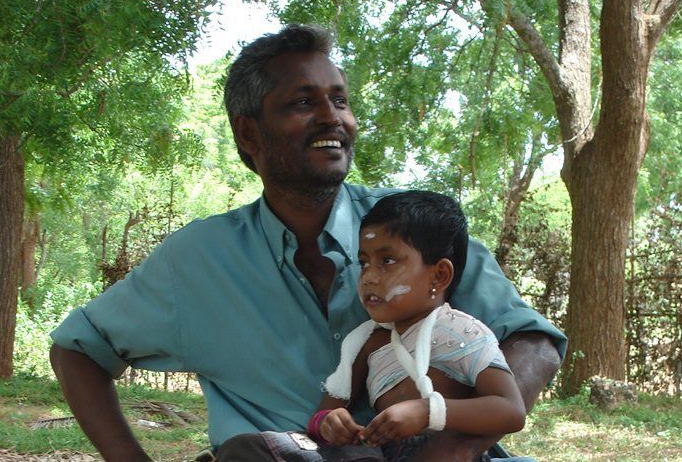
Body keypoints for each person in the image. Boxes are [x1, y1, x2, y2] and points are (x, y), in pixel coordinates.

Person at [49, 24, 566, 462]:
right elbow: (79, 351)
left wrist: (454, 446)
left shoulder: (417, 225)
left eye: (339, 100)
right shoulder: (196, 262)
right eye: (302, 102)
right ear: (248, 134)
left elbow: (533, 342)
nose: (332, 118)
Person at [308, 190, 526, 462]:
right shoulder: (365, 343)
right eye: (364, 263)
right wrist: (330, 422)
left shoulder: (461, 332)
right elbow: (320, 416)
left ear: (439, 275)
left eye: (387, 261)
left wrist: (427, 411)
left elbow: (511, 411)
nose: (369, 277)